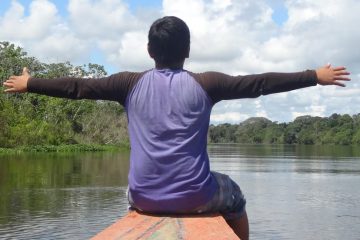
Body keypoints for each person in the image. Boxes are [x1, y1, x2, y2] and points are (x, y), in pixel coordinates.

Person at [3, 16, 350, 239]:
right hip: (198, 197)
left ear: (149, 50)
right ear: (187, 50)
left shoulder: (127, 83)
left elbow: (78, 88)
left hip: (142, 197)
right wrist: (314, 77)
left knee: (131, 190)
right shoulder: (207, 83)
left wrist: (30, 84)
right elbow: (257, 83)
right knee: (235, 194)